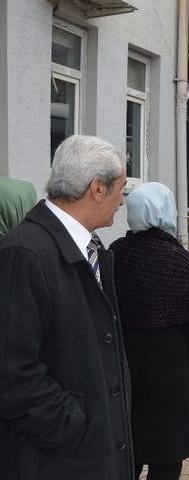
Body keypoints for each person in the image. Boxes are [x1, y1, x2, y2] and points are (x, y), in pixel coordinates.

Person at [0, 135, 133, 479]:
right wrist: (74, 426)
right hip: (58, 460)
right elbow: (13, 371)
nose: (122, 199)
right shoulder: (25, 252)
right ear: (97, 189)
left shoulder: (91, 247)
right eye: (121, 188)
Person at [110, 182, 189, 479]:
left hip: (127, 363)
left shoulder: (117, 250)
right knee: (167, 455)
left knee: (130, 447)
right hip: (168, 369)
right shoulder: (170, 254)